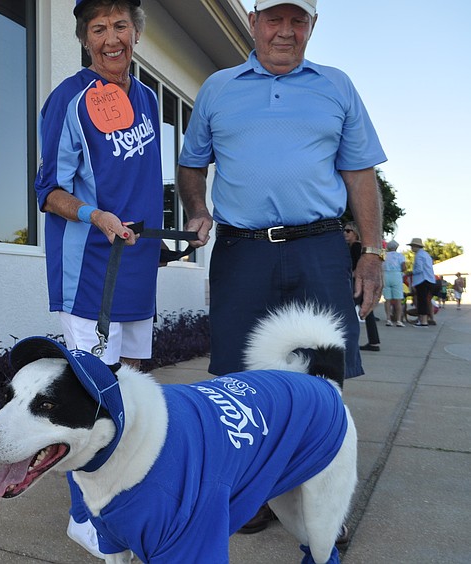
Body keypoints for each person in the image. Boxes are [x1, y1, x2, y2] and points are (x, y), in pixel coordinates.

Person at [176, 0, 385, 548]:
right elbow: (192, 163)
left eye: (298, 20)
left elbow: (360, 174)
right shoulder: (218, 88)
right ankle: (252, 494)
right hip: (242, 251)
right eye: (274, 18)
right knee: (237, 380)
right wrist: (197, 209)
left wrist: (372, 252)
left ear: (312, 25)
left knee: (322, 385)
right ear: (253, 22)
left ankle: (323, 505)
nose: (285, 31)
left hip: (319, 248)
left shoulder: (337, 86)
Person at [33, 0, 162, 557]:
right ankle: (82, 517)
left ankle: (121, 499)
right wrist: (95, 214)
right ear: (85, 39)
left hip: (136, 266)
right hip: (89, 271)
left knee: (129, 390)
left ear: (136, 32)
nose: (112, 38)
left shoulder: (148, 99)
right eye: (98, 29)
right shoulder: (69, 98)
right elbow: (48, 191)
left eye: (120, 26)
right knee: (92, 395)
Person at [345, 223, 381, 350]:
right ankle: (374, 342)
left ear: (355, 232)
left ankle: (344, 341)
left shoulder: (355, 246)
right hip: (362, 283)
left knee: (345, 309)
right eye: (344, 230)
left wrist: (350, 275)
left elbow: (359, 268)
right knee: (368, 313)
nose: (344, 233)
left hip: (357, 283)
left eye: (348, 231)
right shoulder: (359, 247)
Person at [409, 238, 436, 327]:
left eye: (412, 246)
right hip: (429, 280)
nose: (411, 248)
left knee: (422, 301)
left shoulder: (419, 255)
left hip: (422, 280)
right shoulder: (426, 254)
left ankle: (423, 321)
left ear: (416, 246)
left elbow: (419, 269)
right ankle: (423, 319)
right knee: (425, 300)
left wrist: (411, 272)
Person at [382, 240, 407, 326]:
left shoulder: (384, 255)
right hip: (396, 275)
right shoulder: (400, 256)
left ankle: (388, 319)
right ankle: (399, 320)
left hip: (386, 275)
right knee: (398, 300)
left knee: (387, 299)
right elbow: (404, 267)